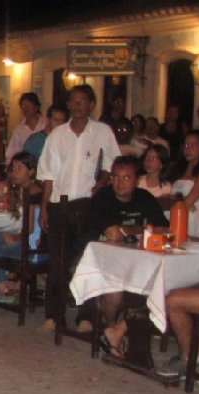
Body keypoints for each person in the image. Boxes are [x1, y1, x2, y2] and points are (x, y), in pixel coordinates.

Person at [37, 84, 120, 332]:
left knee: (86, 261)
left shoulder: (102, 132)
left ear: (91, 105)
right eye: (73, 101)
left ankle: (86, 316)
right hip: (59, 205)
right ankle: (54, 315)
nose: (77, 105)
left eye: (82, 101)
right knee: (57, 262)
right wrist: (44, 208)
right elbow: (48, 175)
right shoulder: (58, 135)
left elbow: (112, 165)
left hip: (88, 206)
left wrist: (103, 182)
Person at [80, 156, 169, 357]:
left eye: (126, 178)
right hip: (103, 262)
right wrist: (135, 230)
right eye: (116, 178)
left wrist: (131, 229)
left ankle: (120, 329)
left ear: (136, 180)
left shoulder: (145, 198)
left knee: (161, 282)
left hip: (140, 261)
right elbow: (102, 231)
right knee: (115, 292)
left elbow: (163, 227)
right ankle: (112, 326)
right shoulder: (102, 199)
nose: (120, 183)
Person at [0, 152, 43, 308]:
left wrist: (15, 238)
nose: (15, 172)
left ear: (31, 171)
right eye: (13, 168)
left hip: (32, 246)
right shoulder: (18, 189)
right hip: (23, 240)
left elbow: (30, 228)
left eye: (20, 168)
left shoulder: (33, 191)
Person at [170, 130, 199, 238]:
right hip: (176, 214)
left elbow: (189, 201)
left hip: (192, 219)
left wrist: (179, 201)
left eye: (194, 145)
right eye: (186, 145)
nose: (188, 149)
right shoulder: (179, 169)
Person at [6, 93, 47, 162]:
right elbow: (11, 153)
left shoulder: (46, 124)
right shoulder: (19, 130)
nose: (25, 109)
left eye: (28, 106)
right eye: (23, 106)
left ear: (36, 107)